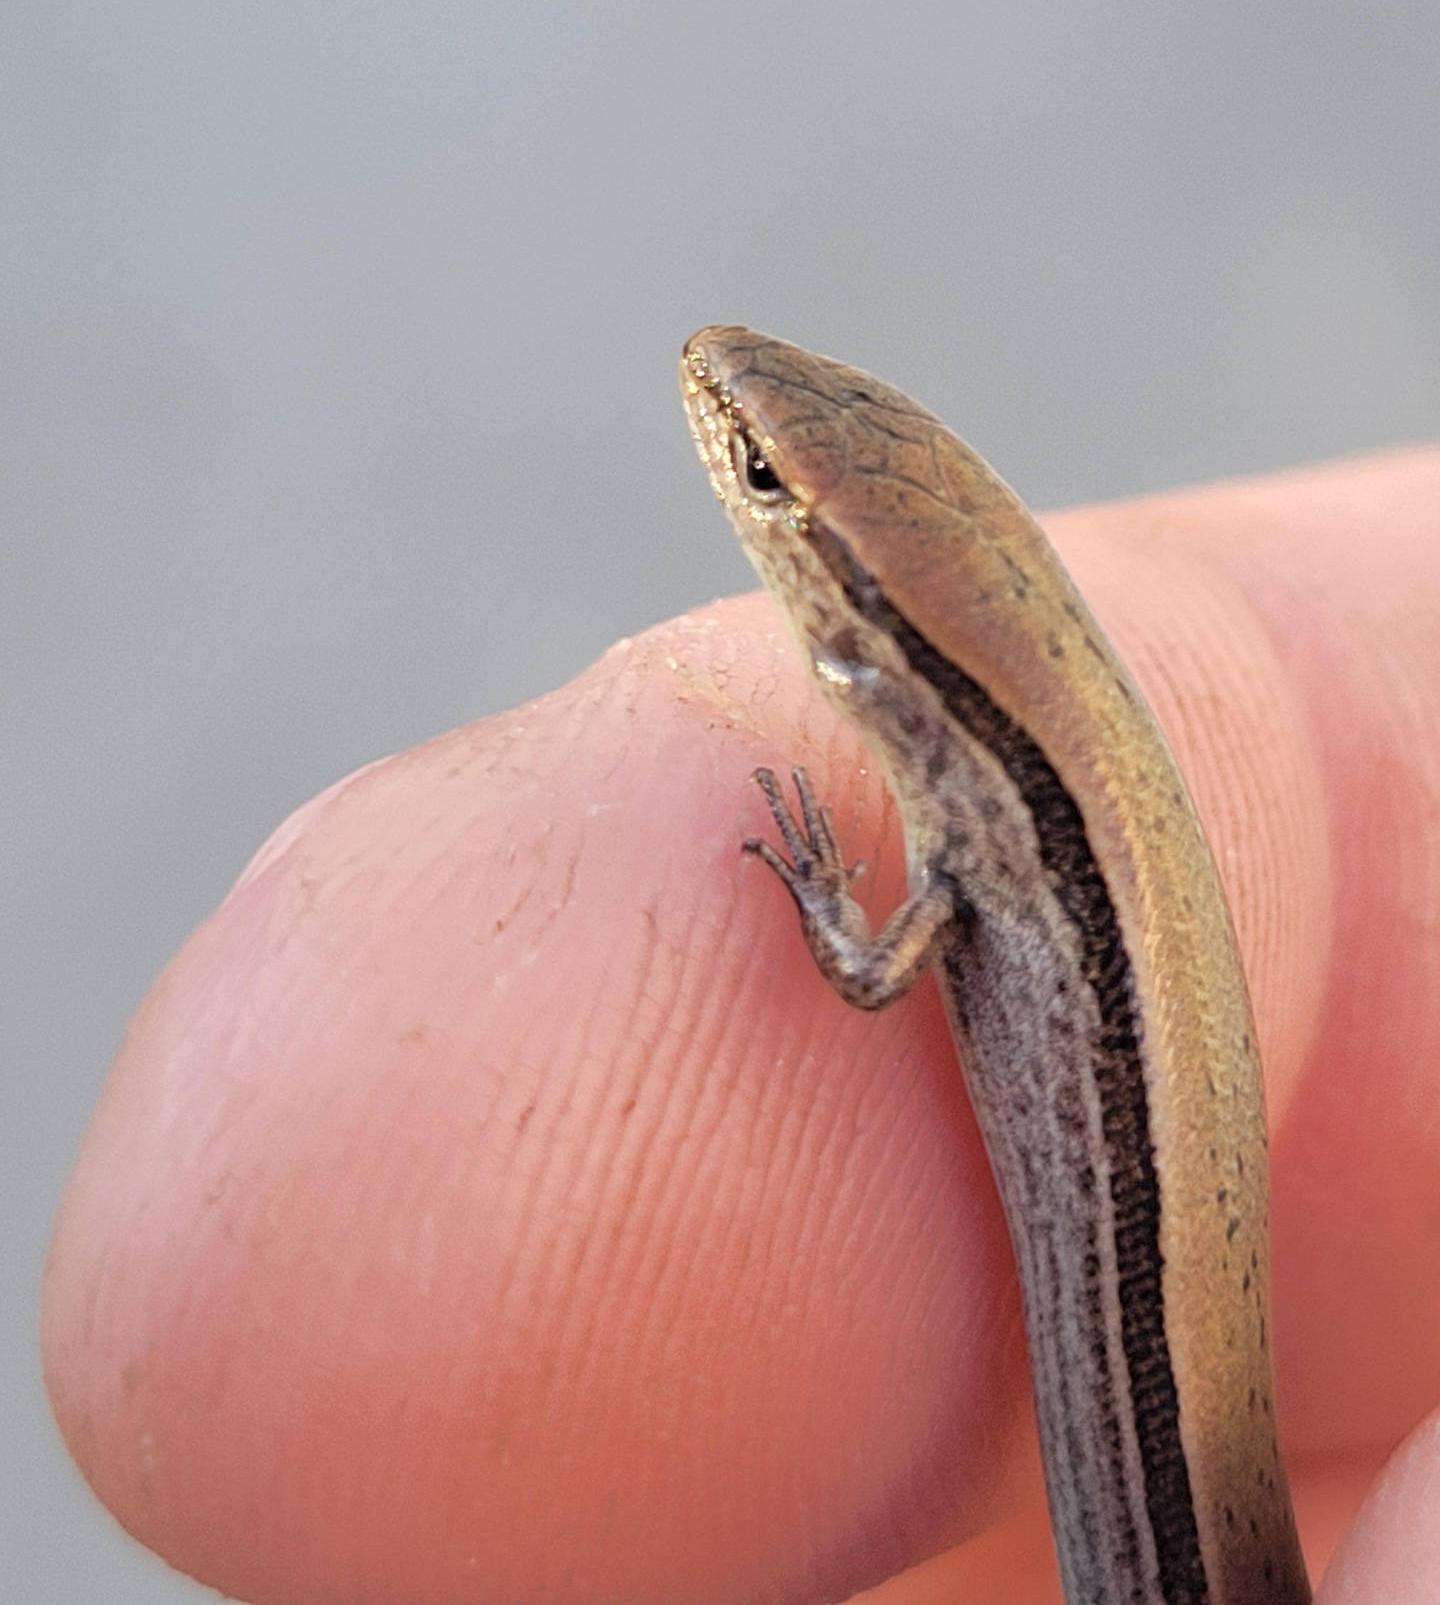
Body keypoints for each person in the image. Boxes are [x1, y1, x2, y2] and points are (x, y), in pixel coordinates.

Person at [42, 448, 1440, 1604]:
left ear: (865, 625)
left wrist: (832, 903)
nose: (738, 463)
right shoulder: (1001, 794)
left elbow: (877, 972)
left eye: (767, 484)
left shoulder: (991, 807)